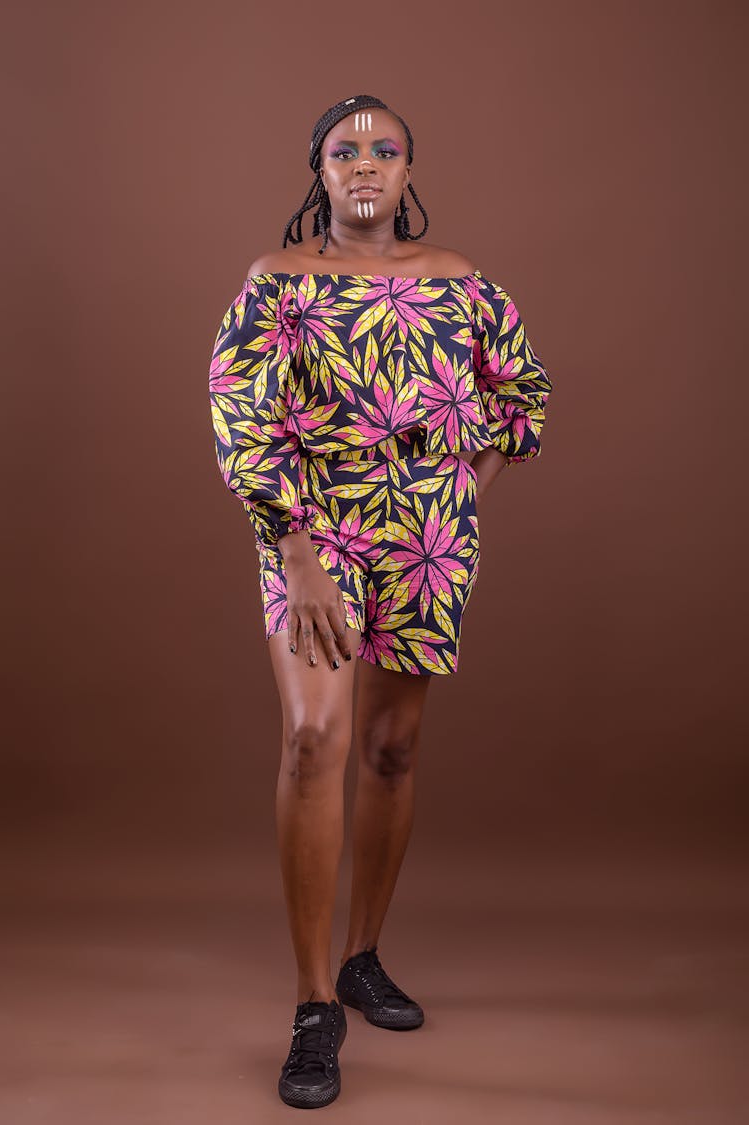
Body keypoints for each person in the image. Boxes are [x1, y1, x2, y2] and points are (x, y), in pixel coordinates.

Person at [208, 93, 553, 1109]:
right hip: (315, 525)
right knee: (315, 736)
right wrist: (297, 545)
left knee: (391, 748)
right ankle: (315, 1005)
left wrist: (460, 498)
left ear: (409, 172)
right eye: (344, 151)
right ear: (315, 171)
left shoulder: (463, 284)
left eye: (385, 150)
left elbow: (522, 397)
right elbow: (241, 414)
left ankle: (364, 957)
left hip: (427, 535)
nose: (366, 165)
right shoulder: (279, 282)